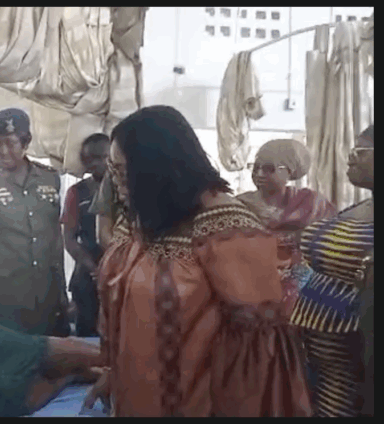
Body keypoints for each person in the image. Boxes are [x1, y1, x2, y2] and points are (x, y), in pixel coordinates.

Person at [83, 106, 312, 417]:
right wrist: (112, 369)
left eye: (124, 173)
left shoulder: (227, 227)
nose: (117, 184)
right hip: (134, 396)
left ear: (157, 167)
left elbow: (257, 350)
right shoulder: (144, 216)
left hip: (194, 402)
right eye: (113, 171)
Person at [0, 108, 70, 337]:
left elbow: (55, 238)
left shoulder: (50, 178)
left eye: (10, 143)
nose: (2, 150)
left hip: (44, 295)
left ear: (26, 142)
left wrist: (62, 293)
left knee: (48, 354)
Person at [289, 125, 374, 417]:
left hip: (360, 367)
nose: (351, 157)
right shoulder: (360, 207)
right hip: (321, 362)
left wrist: (306, 284)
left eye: (362, 151)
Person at [237, 139, 337, 315]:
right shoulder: (240, 205)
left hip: (308, 288)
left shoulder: (312, 203)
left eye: (269, 168)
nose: (259, 174)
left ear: (290, 172)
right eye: (255, 167)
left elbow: (331, 246)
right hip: (252, 285)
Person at [61, 133, 110, 337]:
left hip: (122, 273)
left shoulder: (129, 190)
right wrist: (94, 269)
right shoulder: (77, 192)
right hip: (88, 275)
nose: (95, 163)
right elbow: (69, 239)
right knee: (88, 337)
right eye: (90, 159)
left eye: (102, 157)